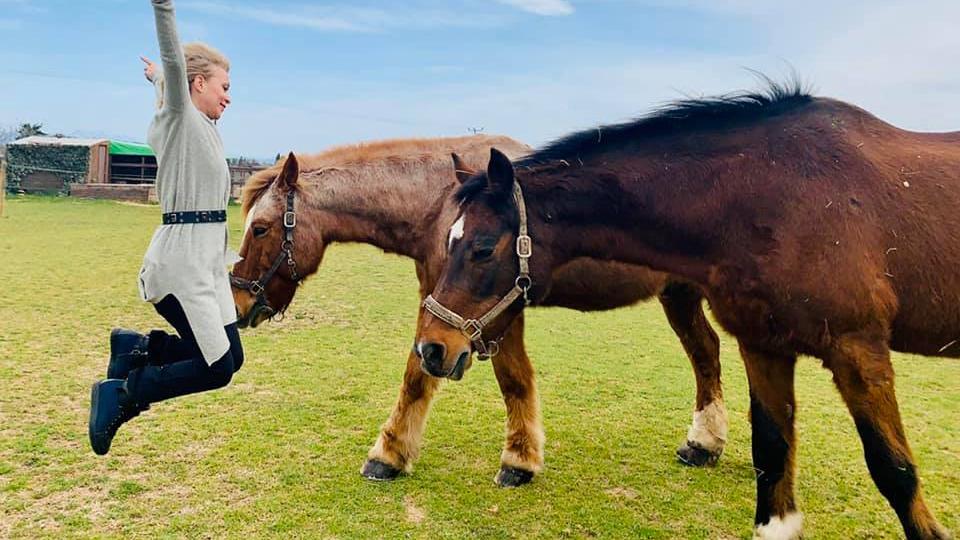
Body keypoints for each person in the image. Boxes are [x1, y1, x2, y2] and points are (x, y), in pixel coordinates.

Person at [89, 0, 243, 455]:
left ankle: (138, 348)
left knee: (232, 358)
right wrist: (164, 9)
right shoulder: (179, 117)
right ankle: (124, 393)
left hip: (209, 266)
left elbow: (170, 73)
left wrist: (156, 75)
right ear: (197, 84)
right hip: (180, 265)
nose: (229, 96)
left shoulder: (205, 127)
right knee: (214, 368)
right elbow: (175, 67)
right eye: (224, 87)